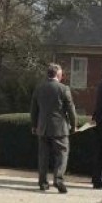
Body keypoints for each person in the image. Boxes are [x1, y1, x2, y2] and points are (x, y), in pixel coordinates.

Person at [30, 63, 77, 194]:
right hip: (60, 129)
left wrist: (34, 125)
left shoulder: (39, 88)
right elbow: (71, 110)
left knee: (43, 156)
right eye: (61, 74)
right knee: (62, 154)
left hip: (43, 128)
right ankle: (58, 179)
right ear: (58, 74)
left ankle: (43, 182)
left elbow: (34, 110)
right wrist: (74, 126)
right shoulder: (63, 89)